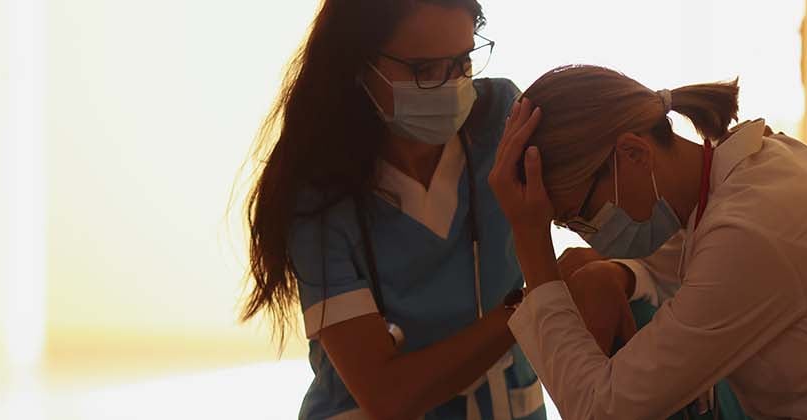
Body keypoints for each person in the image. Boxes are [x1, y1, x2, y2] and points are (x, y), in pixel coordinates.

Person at [487, 65, 807, 419]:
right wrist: (612, 273)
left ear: (634, 154)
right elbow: (682, 261)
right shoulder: (749, 175)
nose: (586, 233)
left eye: (580, 215)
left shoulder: (752, 228)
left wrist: (530, 244)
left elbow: (604, 408)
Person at [236, 3, 635, 419]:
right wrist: (533, 302)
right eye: (425, 70)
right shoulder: (319, 194)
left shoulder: (504, 119)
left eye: (462, 63)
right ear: (358, 63)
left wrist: (615, 271)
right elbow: (387, 396)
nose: (451, 86)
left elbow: (631, 220)